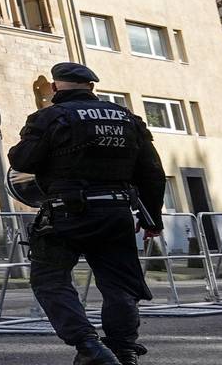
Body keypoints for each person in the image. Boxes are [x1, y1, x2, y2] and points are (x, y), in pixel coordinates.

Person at [10, 63, 166, 365]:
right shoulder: (127, 118)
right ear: (91, 87)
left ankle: (89, 346)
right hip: (115, 211)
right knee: (119, 284)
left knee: (49, 279)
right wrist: (152, 220)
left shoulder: (50, 117)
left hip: (66, 215)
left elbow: (22, 160)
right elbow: (152, 173)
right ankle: (123, 350)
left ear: (55, 88)